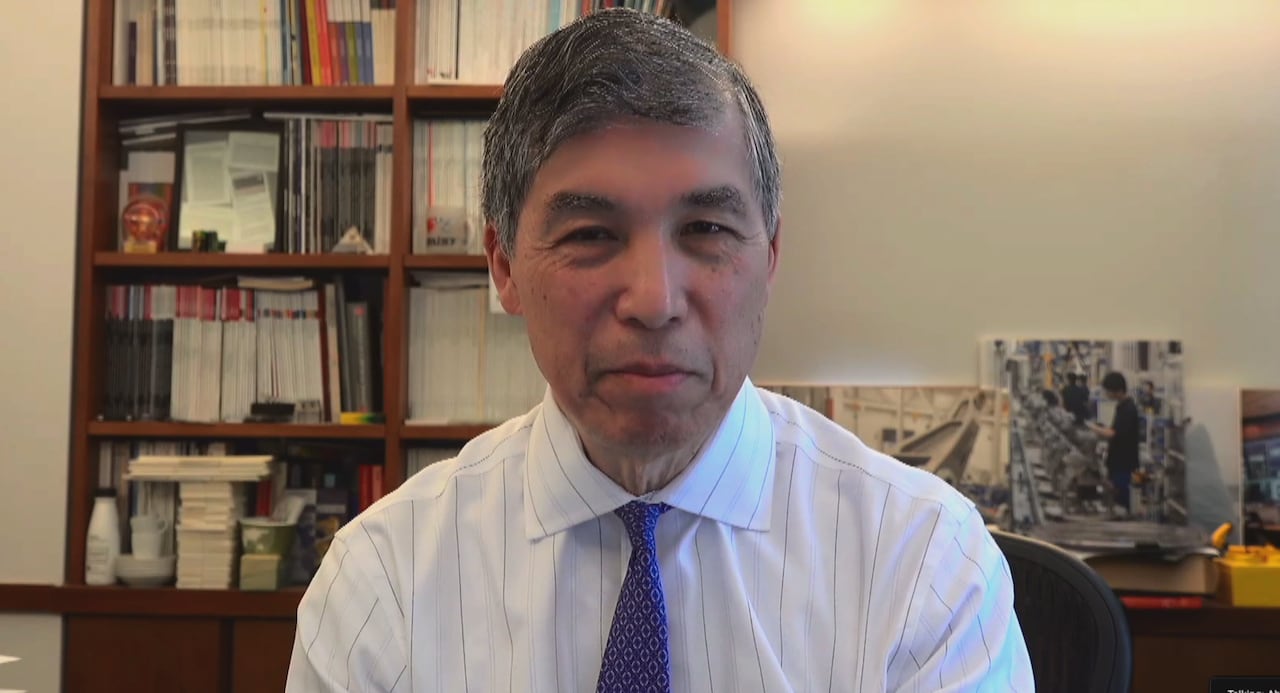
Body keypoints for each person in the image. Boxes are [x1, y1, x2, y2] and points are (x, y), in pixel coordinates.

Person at [286, 8, 1033, 691]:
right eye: (590, 234)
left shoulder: (924, 566)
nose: (654, 299)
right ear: (505, 265)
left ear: (769, 258)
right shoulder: (383, 582)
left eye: (706, 230)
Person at [1087, 371, 1141, 517]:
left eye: (1108, 391)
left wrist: (1092, 427)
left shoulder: (1128, 409)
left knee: (1123, 499)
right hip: (1117, 460)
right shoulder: (1121, 406)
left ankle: (1126, 528)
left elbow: (1113, 433)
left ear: (1117, 390)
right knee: (1117, 496)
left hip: (1124, 463)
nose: (1106, 394)